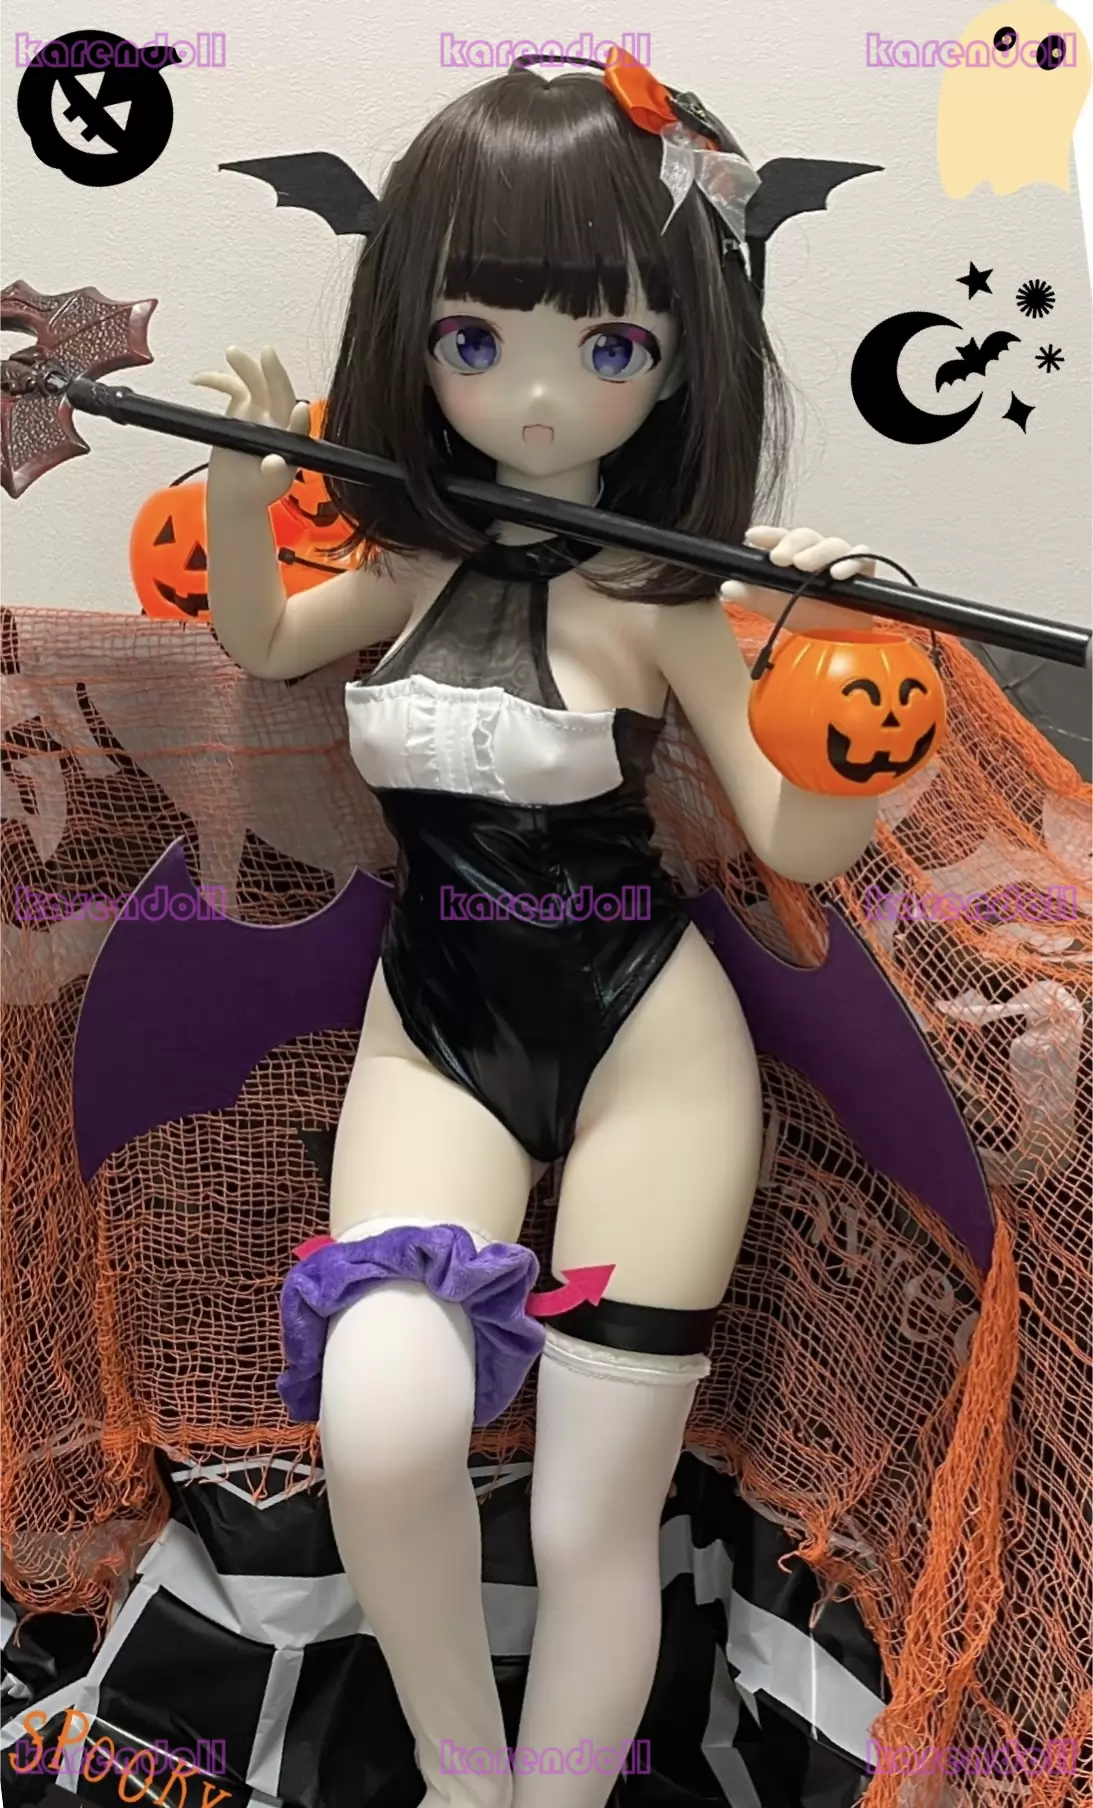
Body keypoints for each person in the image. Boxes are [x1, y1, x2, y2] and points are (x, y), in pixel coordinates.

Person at [194, 55, 885, 1808]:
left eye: (616, 345)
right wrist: (238, 492)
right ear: (414, 343)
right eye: (476, 338)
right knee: (383, 1417)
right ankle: (461, 1777)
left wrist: (856, 684)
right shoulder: (411, 564)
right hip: (434, 1027)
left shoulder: (671, 597)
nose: (547, 395)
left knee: (590, 1521)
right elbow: (261, 643)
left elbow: (798, 837)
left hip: (653, 1045)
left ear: (682, 357)